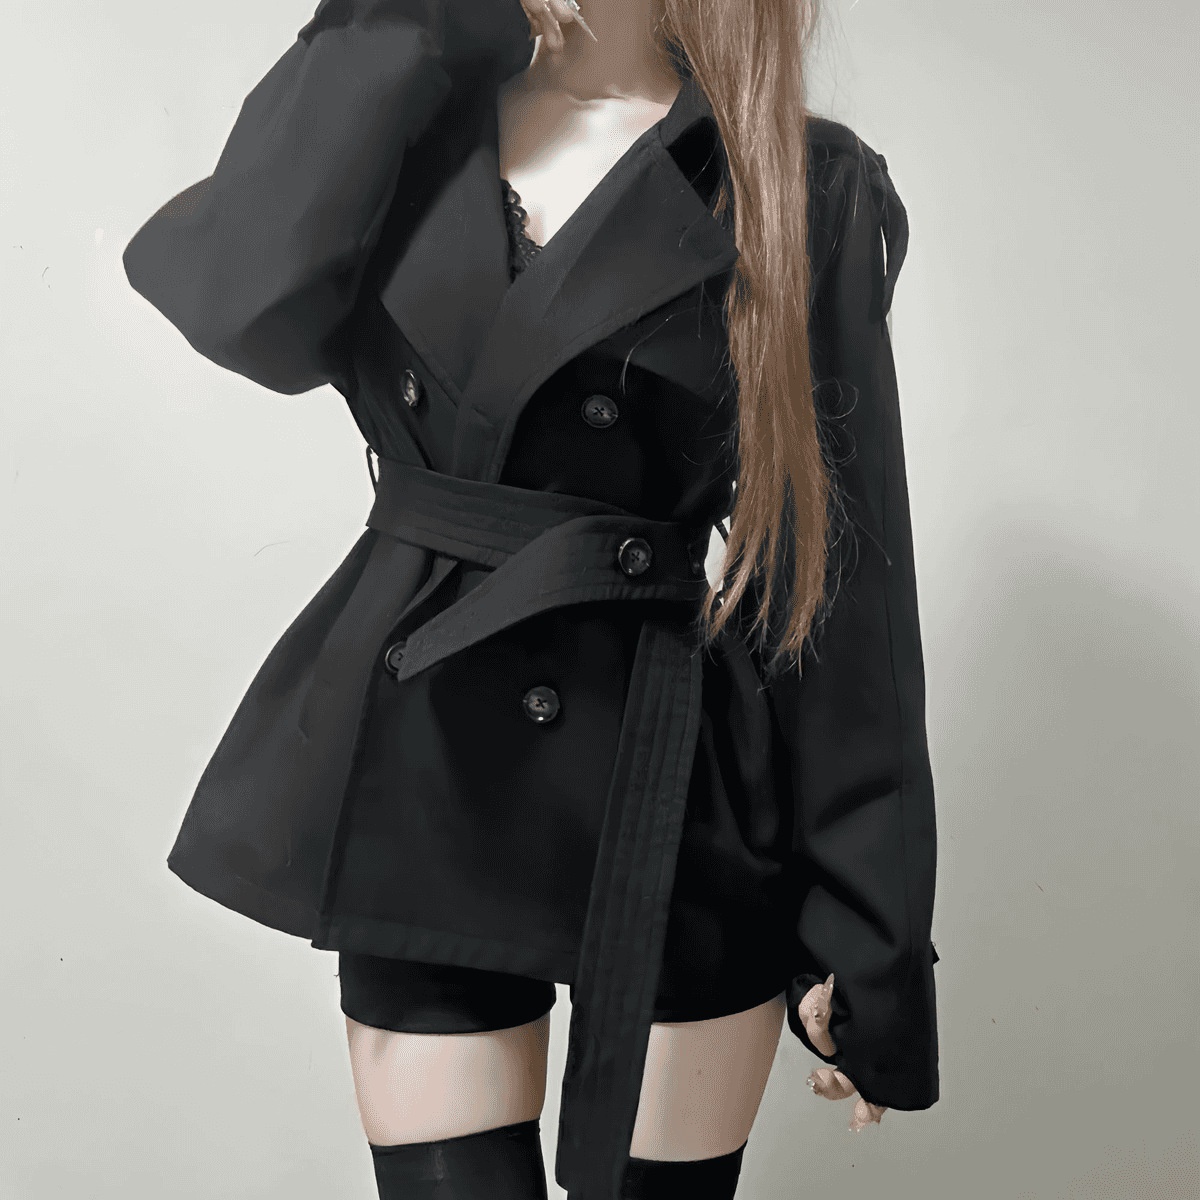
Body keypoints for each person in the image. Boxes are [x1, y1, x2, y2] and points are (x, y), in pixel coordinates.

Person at [122, 0, 940, 1195]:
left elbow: (837, 579)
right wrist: (409, 22)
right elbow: (239, 304)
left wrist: (868, 933)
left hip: (671, 785)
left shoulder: (795, 178)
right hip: (426, 751)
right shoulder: (392, 124)